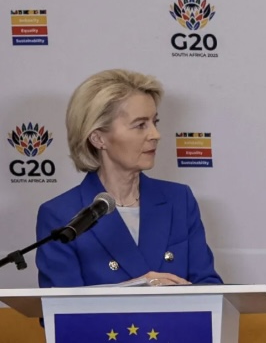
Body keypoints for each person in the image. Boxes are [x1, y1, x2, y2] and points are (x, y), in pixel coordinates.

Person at [36, 69, 222, 287]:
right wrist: (137, 287)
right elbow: (61, 304)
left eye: (154, 122)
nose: (155, 135)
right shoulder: (61, 215)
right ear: (98, 138)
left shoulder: (179, 199)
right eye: (140, 125)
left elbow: (209, 285)